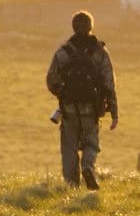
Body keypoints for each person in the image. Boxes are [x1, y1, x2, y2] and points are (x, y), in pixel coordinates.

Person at [46, 11, 119, 190]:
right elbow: (109, 83)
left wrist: (62, 94)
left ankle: (71, 185)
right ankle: (87, 168)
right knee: (91, 143)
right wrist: (114, 112)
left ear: (73, 26)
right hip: (92, 108)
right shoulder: (100, 52)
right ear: (90, 27)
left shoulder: (63, 52)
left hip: (69, 107)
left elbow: (51, 79)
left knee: (69, 146)